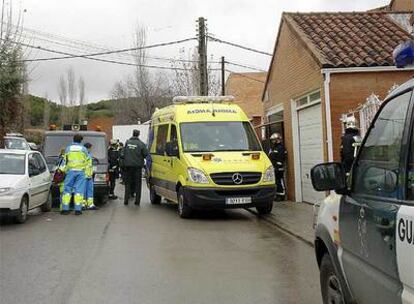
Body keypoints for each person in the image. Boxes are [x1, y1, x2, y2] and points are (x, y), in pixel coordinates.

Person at [59, 134, 89, 215]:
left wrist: (61, 170)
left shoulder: (68, 149)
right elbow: (87, 162)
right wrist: (88, 173)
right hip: (80, 172)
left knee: (67, 190)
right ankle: (78, 210)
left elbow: (65, 161)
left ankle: (65, 209)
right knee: (79, 191)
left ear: (73, 140)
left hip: (70, 172)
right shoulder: (84, 149)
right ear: (81, 140)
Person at [120, 129, 149, 206]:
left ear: (132, 134)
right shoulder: (141, 144)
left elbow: (122, 154)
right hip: (137, 167)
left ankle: (126, 200)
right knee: (138, 184)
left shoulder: (127, 143)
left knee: (128, 184)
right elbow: (146, 154)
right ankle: (137, 201)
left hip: (128, 167)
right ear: (138, 135)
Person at [268, 133, 287, 201]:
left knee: (280, 180)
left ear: (277, 140)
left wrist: (278, 166)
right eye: (272, 140)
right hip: (274, 167)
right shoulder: (273, 148)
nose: (272, 141)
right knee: (276, 181)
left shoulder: (281, 148)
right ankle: (277, 194)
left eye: (273, 140)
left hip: (279, 168)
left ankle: (282, 195)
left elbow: (281, 158)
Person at [83, 143, 98, 210]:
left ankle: (90, 204)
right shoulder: (83, 154)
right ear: (87, 148)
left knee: (90, 190)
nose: (91, 149)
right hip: (83, 176)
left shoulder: (89, 154)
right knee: (83, 191)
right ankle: (83, 204)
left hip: (89, 175)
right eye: (90, 148)